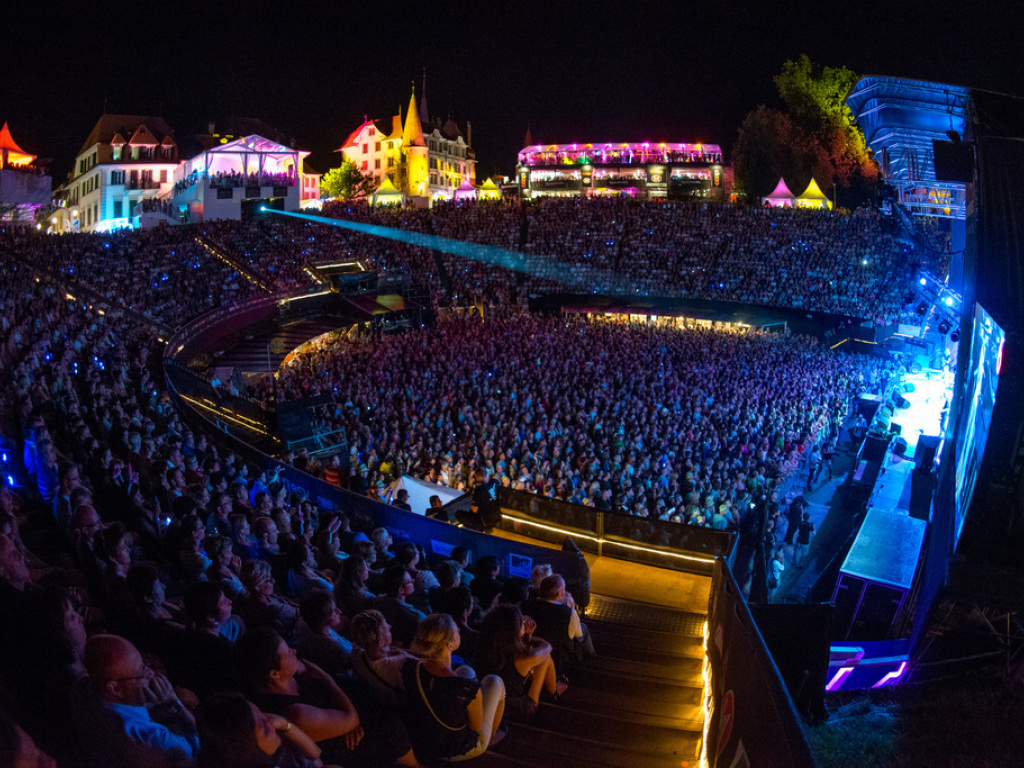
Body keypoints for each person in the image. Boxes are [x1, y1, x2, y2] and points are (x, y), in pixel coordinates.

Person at [79, 634, 200, 764]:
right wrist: (176, 704)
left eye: (144, 664)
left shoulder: (84, 688)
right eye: (141, 671)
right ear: (115, 689)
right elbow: (201, 745)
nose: (150, 673)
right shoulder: (150, 738)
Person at [401, 613, 505, 762]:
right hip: (454, 749)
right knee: (495, 681)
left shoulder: (409, 668)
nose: (460, 632)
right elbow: (475, 728)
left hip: (424, 741)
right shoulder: (465, 688)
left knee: (466, 670)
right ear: (450, 645)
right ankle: (491, 738)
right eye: (457, 632)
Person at [474, 603, 566, 723]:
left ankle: (553, 690)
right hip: (514, 708)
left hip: (487, 695)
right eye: (522, 623)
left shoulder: (486, 643)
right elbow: (547, 647)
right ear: (514, 632)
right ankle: (553, 693)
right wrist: (527, 636)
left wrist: (521, 635)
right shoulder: (522, 658)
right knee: (545, 658)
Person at [196, 691, 322, 768]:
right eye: (265, 729)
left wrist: (286, 724)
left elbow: (315, 755)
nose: (272, 723)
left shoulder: (272, 744)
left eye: (263, 714)